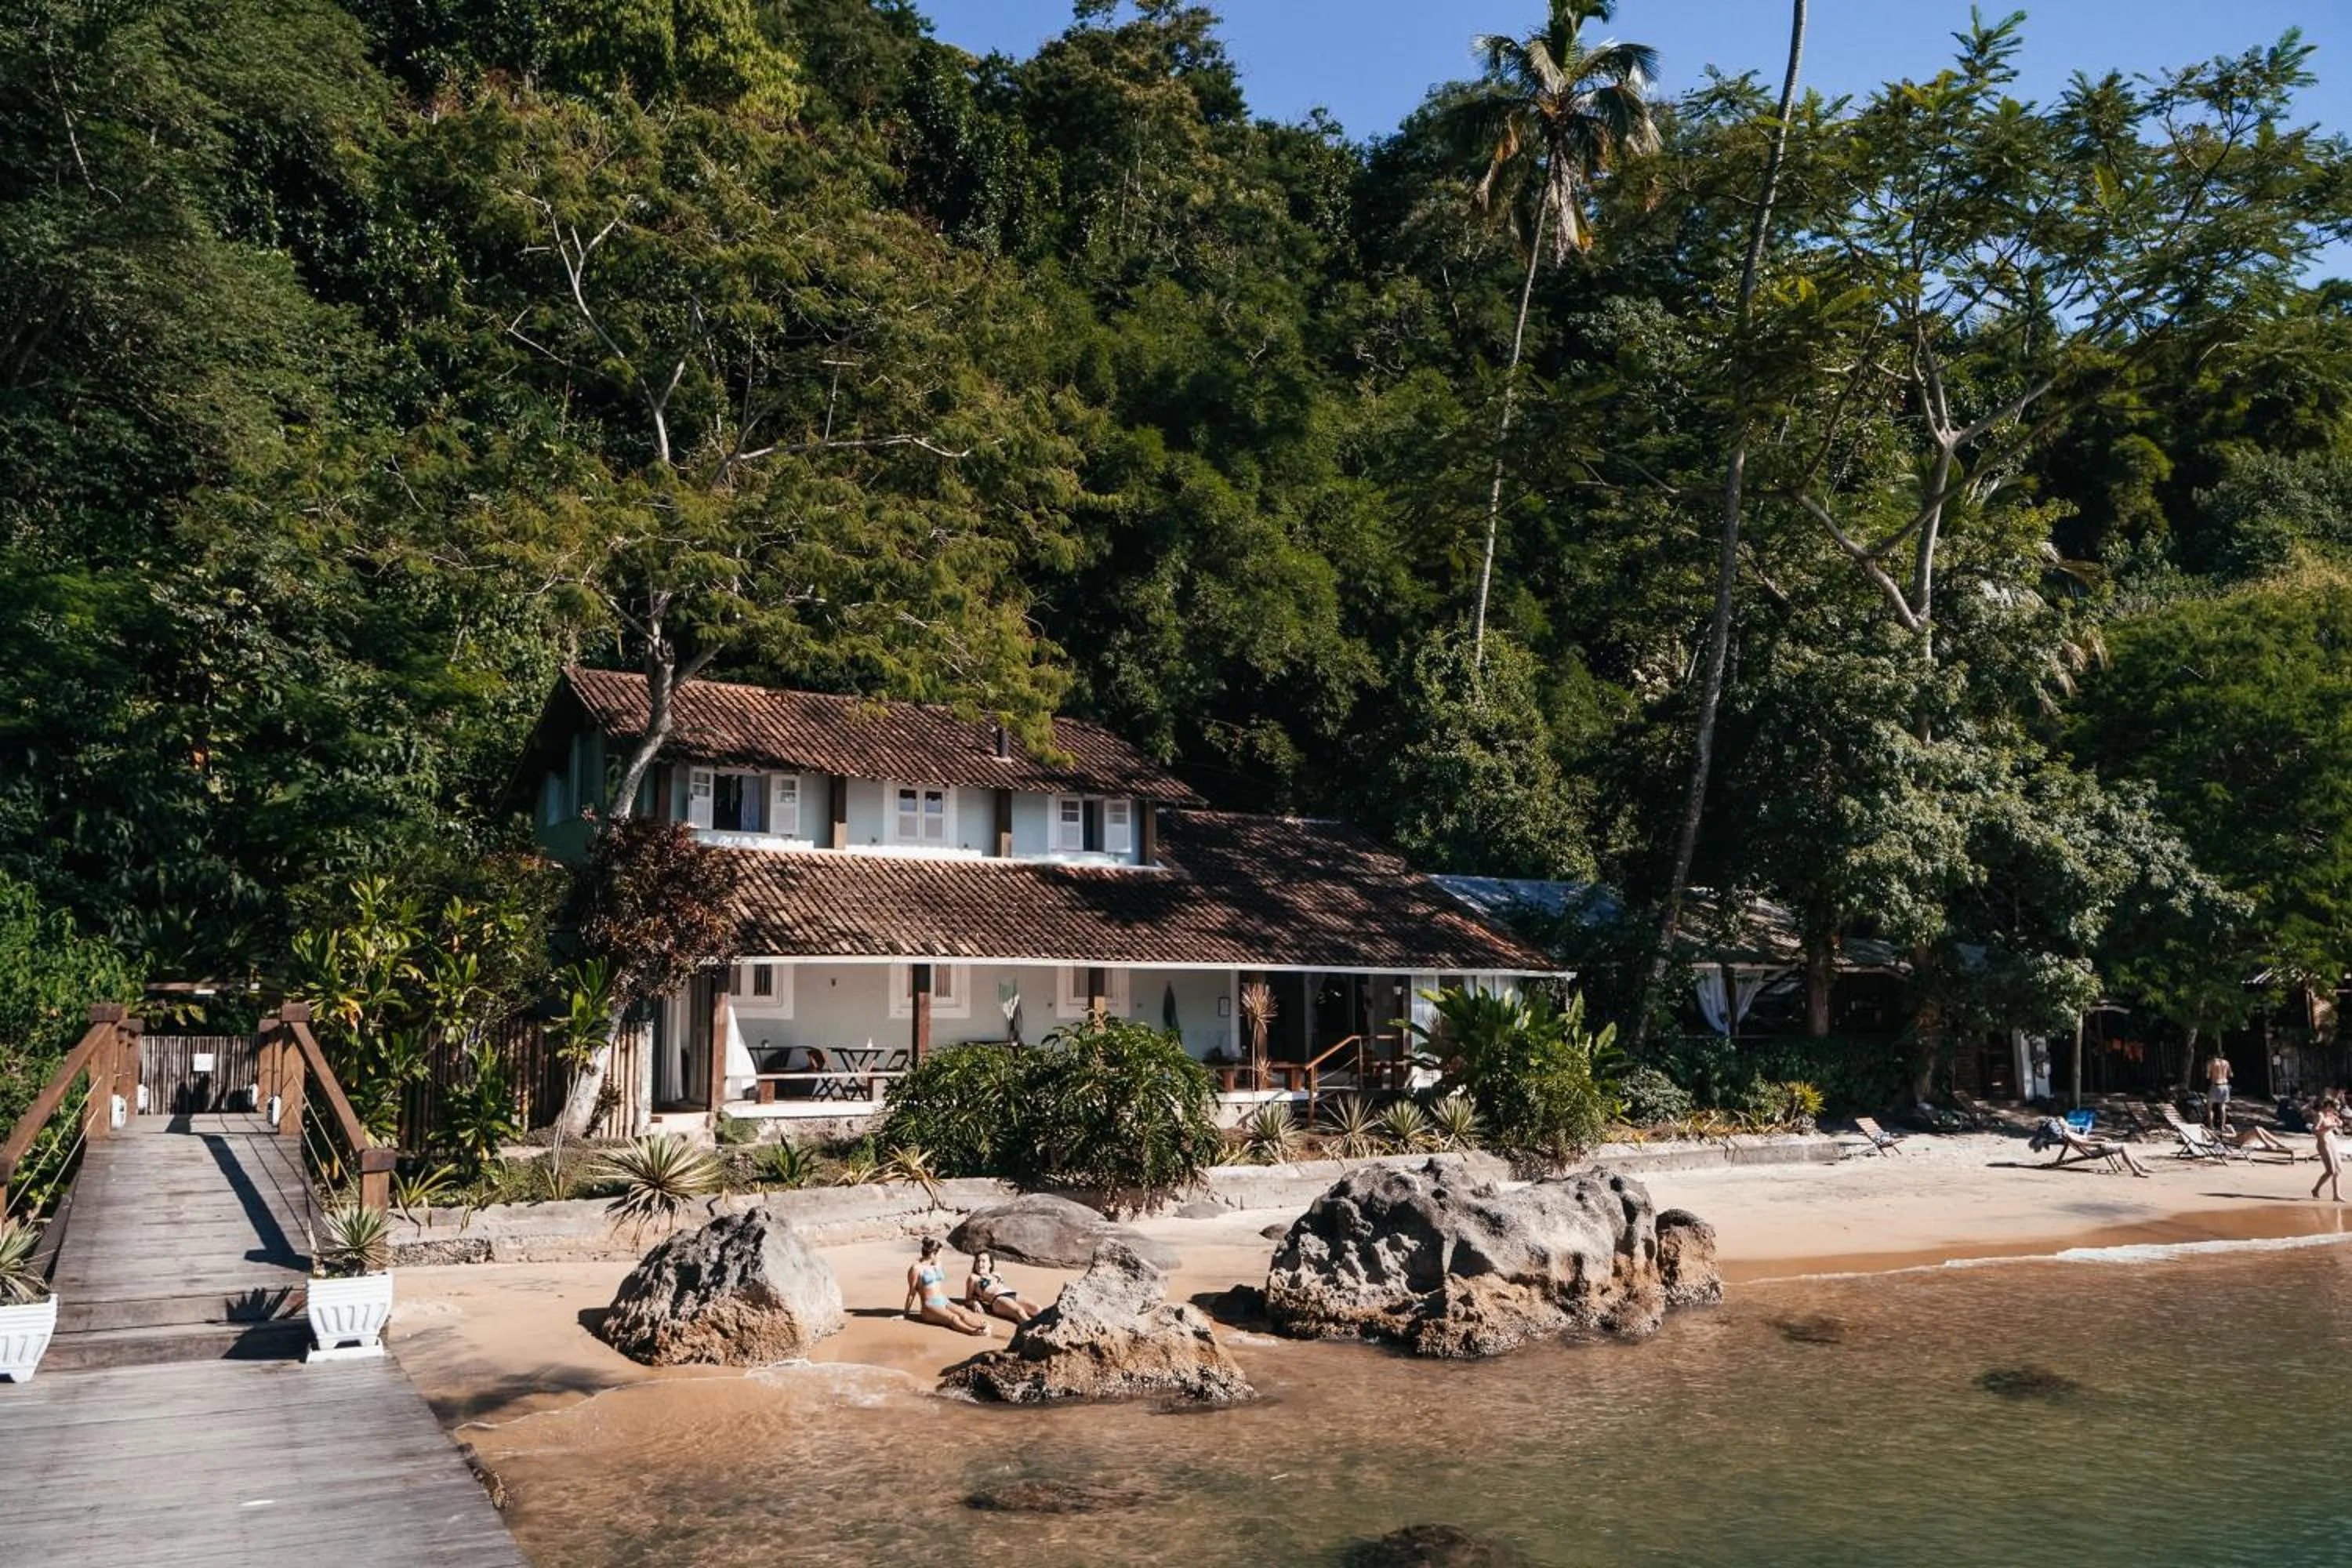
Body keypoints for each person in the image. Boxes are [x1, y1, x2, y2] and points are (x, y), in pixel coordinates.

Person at [905, 1237, 990, 1336]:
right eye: (940, 1254)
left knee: (964, 1314)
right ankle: (972, 1332)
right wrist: (905, 1314)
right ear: (933, 1254)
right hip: (929, 1306)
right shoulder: (916, 1269)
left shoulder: (937, 1264)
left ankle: (979, 1325)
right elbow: (912, 1292)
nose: (941, 1256)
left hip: (943, 1300)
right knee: (953, 1318)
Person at [964, 1248, 1039, 1325]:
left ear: (990, 1264)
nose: (980, 1264)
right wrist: (975, 1303)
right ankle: (1034, 1330)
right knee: (1019, 1311)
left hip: (1012, 1294)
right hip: (998, 1299)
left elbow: (1001, 1287)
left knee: (1037, 1308)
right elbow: (968, 1300)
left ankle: (1049, 1327)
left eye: (983, 1261)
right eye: (978, 1261)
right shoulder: (973, 1278)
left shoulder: (997, 1275)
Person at [2312, 1097, 2343, 1203]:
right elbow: (2314, 1130)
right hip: (2323, 1142)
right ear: (2329, 1106)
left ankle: (2337, 1195)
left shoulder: (2331, 1114)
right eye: (2334, 1109)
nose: (2335, 1111)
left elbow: (2338, 1125)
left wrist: (2338, 1123)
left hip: (2332, 1141)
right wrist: (2329, 1127)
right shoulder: (2320, 1115)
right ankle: (2316, 1189)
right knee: (2331, 1171)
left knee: (2339, 1169)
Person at [2205, 1049, 2234, 1131]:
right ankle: (2222, 1126)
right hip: (2225, 1086)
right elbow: (2231, 1075)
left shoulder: (2211, 1063)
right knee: (2223, 1107)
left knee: (2210, 1107)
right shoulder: (2226, 1063)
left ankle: (2211, 1126)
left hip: (2215, 1085)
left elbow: (2207, 1076)